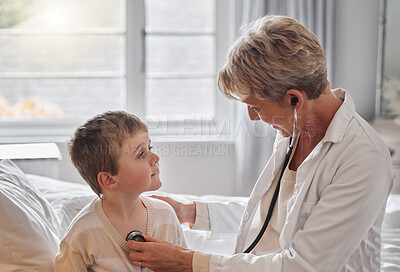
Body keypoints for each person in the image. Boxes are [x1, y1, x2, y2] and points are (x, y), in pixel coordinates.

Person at [126, 15, 394, 272]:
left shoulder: (363, 159)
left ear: (294, 100)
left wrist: (188, 263)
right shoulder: (296, 127)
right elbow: (275, 215)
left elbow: (302, 267)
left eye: (255, 107)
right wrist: (191, 212)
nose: (252, 118)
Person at [55, 111, 187, 271]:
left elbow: (183, 265)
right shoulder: (84, 231)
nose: (155, 157)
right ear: (109, 180)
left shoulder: (166, 216)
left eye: (150, 147)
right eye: (141, 154)